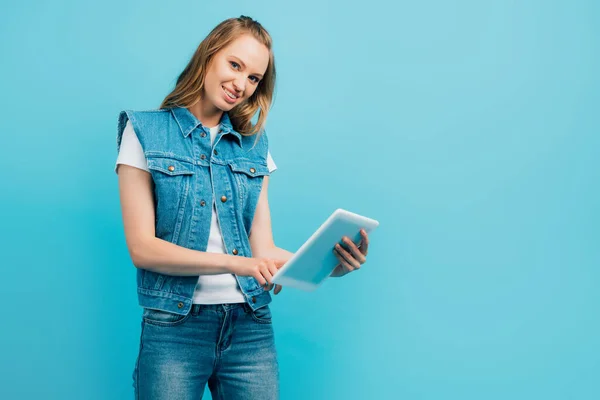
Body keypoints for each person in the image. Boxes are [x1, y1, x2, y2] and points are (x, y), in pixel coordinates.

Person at [115, 15, 370, 400]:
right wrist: (241, 263)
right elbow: (142, 249)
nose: (241, 85)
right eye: (235, 65)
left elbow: (262, 251)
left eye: (253, 78)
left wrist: (329, 266)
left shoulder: (254, 145)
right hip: (174, 328)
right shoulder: (144, 131)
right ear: (209, 56)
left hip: (250, 326)